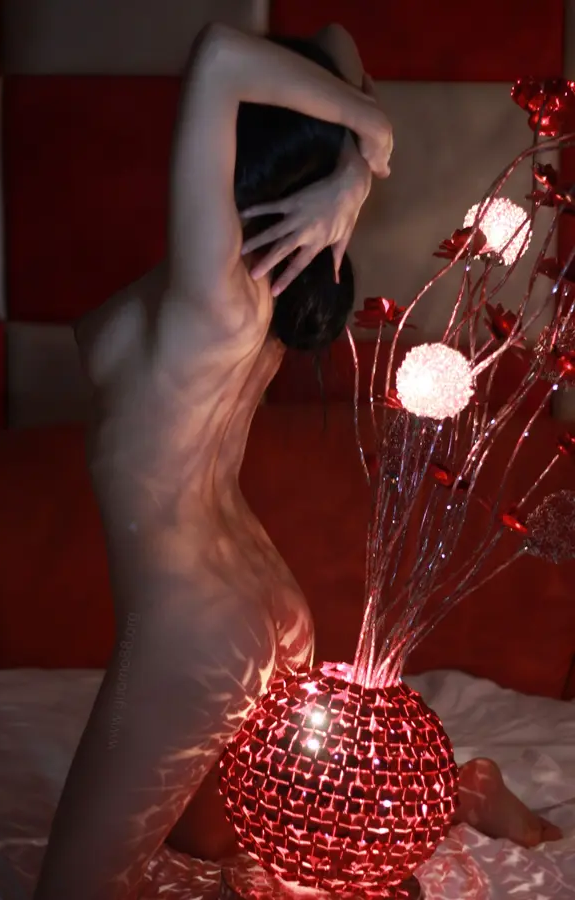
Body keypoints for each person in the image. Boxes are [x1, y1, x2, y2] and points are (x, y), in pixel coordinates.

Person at [33, 23, 561, 900]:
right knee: (217, 848)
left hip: (191, 629)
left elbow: (216, 56)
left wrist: (370, 134)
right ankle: (460, 793)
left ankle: (444, 800)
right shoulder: (260, 289)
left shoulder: (211, 291)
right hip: (259, 607)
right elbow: (336, 40)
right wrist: (354, 169)